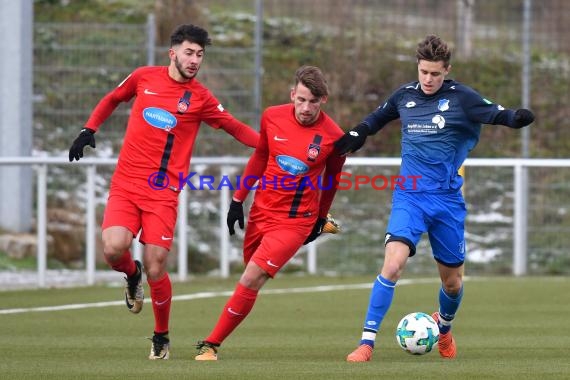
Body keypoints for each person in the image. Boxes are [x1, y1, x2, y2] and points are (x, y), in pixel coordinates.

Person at [335, 34, 535, 362]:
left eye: (435, 74)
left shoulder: (462, 98)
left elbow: (497, 114)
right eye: (424, 72)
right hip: (409, 197)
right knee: (393, 263)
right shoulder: (405, 95)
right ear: (418, 67)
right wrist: (358, 132)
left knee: (453, 284)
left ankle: (444, 329)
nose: (428, 79)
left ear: (447, 71)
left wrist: (515, 118)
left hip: (446, 201)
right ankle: (366, 343)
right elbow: (377, 118)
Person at [68, 24, 259, 360]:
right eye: (189, 52)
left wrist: (275, 149)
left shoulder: (201, 98)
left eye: (200, 54)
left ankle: (160, 335)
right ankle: (131, 275)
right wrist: (88, 129)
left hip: (163, 191)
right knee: (114, 249)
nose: (195, 59)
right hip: (127, 183)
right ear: (172, 53)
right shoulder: (144, 77)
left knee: (157, 265)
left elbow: (236, 128)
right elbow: (112, 98)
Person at [194, 65, 346, 360]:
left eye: (313, 102)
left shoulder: (333, 137)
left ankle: (211, 345)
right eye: (301, 100)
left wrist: (319, 218)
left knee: (251, 278)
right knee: (249, 270)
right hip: (261, 212)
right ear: (292, 95)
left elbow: (332, 182)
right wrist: (238, 199)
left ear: (323, 100)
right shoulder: (272, 117)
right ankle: (214, 341)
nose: (306, 108)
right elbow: (261, 156)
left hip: (295, 222)